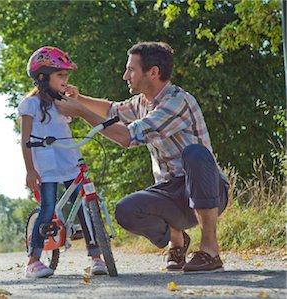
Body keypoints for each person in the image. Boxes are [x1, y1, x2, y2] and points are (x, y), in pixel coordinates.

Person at [55, 41, 229, 273]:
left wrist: (80, 111)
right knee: (126, 210)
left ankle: (210, 250)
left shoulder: (177, 102)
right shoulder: (142, 103)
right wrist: (80, 99)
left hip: (207, 190)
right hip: (171, 193)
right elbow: (111, 111)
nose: (125, 75)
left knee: (195, 154)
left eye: (131, 69)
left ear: (153, 72)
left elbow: (127, 137)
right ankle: (177, 241)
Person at [18, 46, 109, 278]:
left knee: (86, 208)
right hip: (47, 166)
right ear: (42, 77)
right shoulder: (30, 104)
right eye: (60, 75)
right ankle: (33, 260)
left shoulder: (62, 103)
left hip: (69, 160)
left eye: (66, 75)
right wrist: (30, 170)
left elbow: (77, 115)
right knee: (48, 209)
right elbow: (25, 139)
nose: (65, 79)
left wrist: (76, 100)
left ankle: (97, 256)